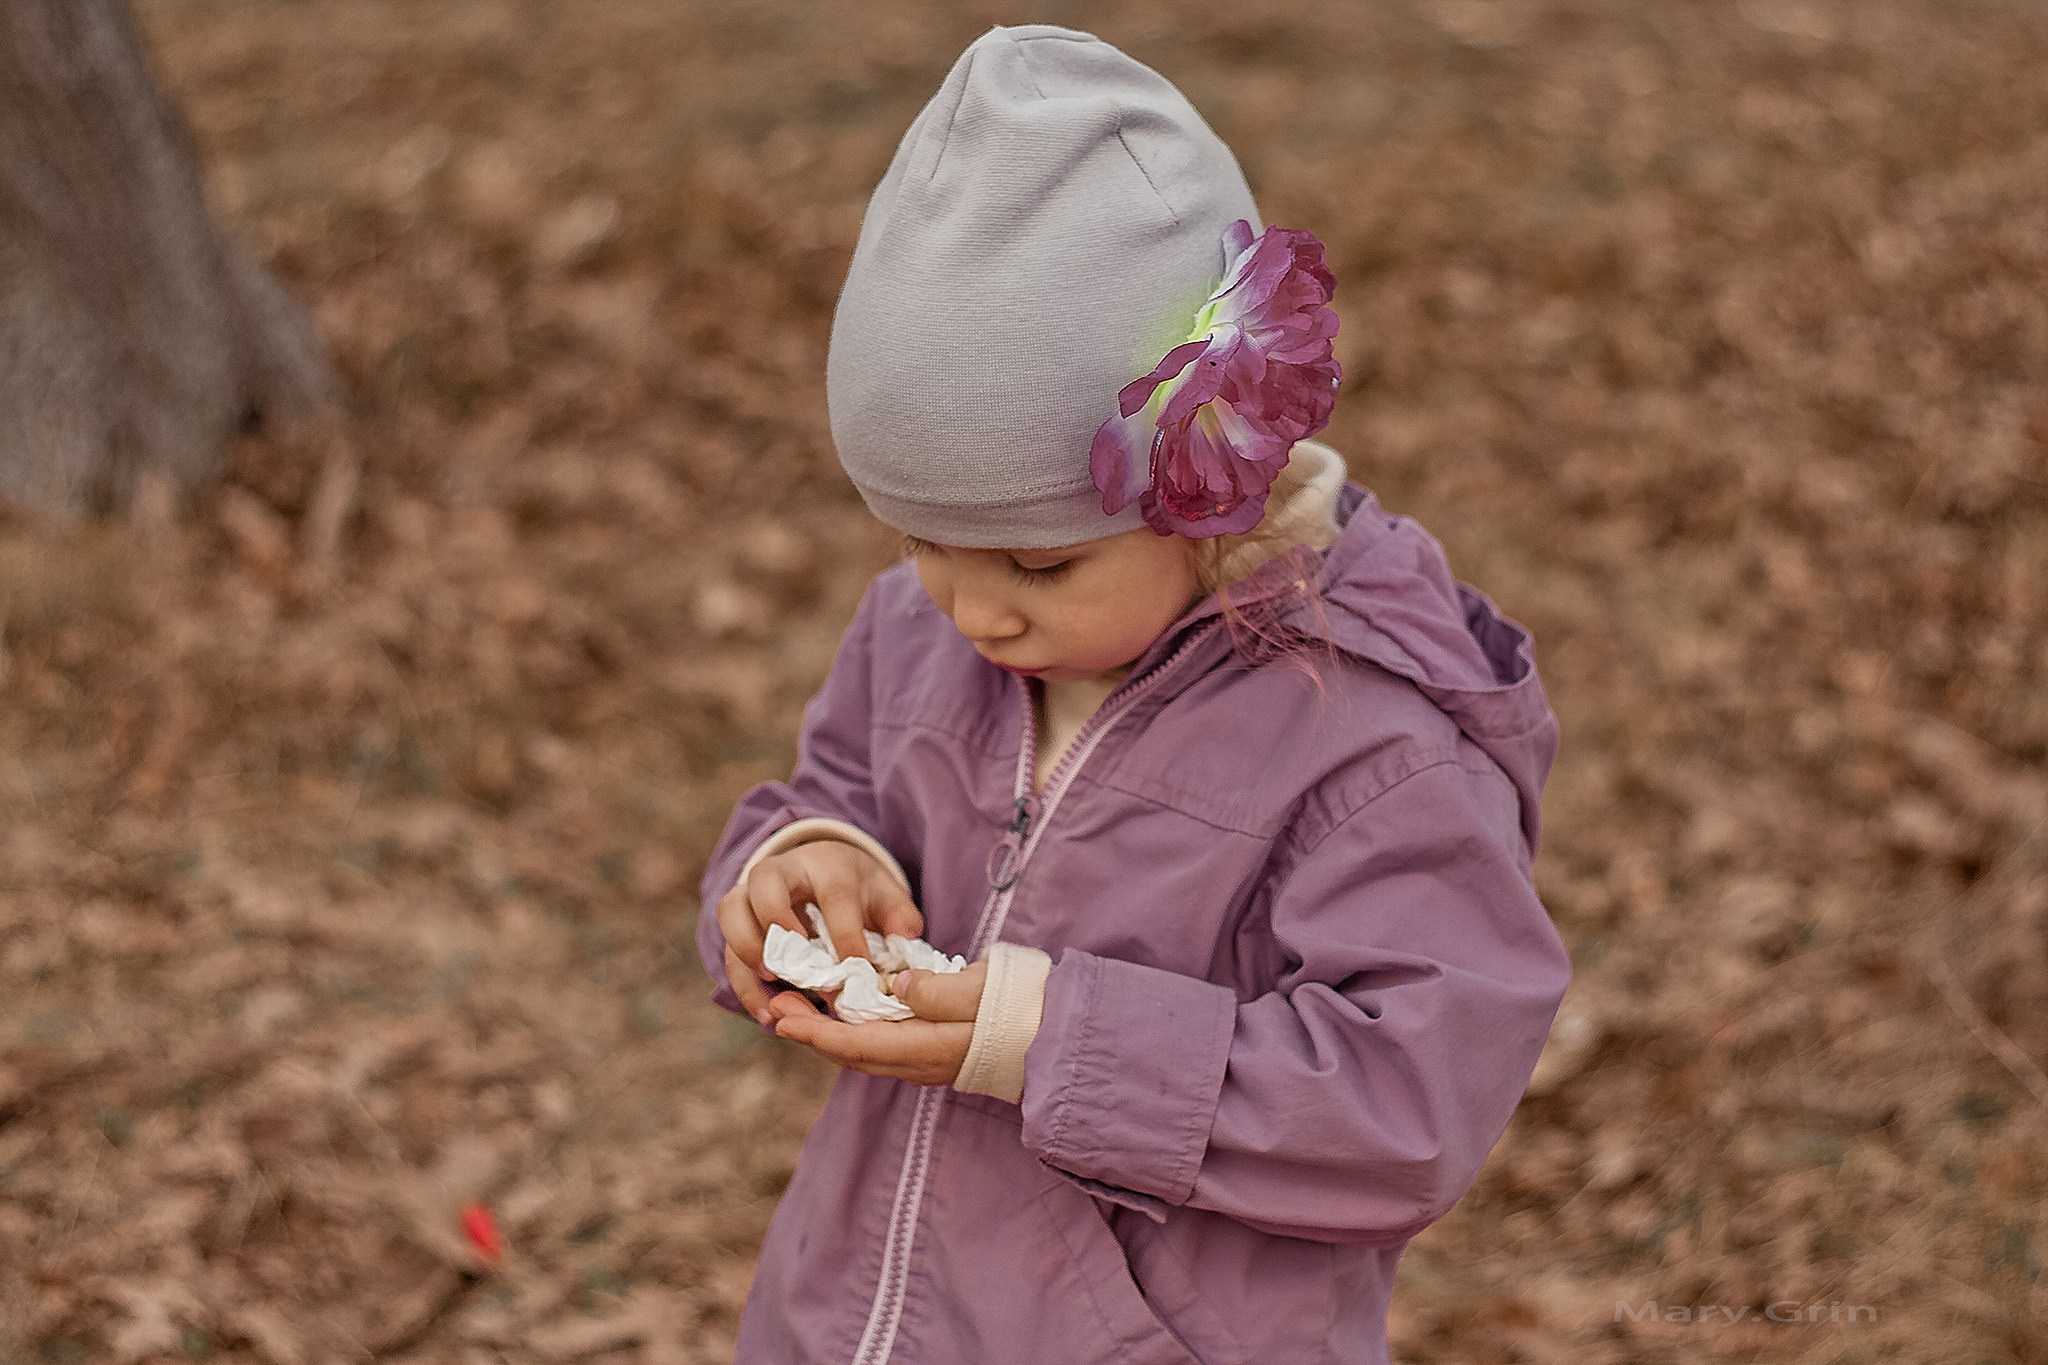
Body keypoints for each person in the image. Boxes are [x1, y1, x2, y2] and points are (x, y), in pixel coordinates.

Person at [694, 23, 1572, 1365]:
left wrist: (1044, 1038)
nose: (973, 608)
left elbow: (1410, 1099)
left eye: (1039, 562)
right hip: (852, 1319)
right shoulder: (922, 635)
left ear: (1210, 485)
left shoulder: (1370, 739)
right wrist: (800, 863)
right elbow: (833, 785)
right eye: (920, 543)